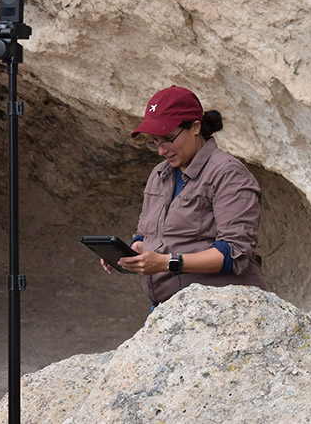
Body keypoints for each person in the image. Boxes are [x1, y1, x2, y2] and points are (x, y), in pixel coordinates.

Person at [101, 85, 267, 309]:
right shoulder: (160, 174)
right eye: (155, 141)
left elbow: (234, 253)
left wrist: (165, 262)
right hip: (167, 307)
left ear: (195, 127)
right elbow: (147, 233)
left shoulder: (228, 173)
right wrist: (133, 251)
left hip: (222, 307)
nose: (161, 150)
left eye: (168, 138)